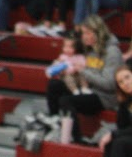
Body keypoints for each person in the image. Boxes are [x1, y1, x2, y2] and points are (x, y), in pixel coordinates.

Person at [44, 15, 122, 143]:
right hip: (86, 89)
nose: (84, 36)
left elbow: (110, 84)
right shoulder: (88, 49)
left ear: (98, 32)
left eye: (88, 33)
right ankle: (55, 123)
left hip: (104, 97)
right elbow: (76, 70)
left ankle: (75, 139)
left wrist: (83, 72)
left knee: (66, 101)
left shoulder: (112, 52)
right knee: (54, 85)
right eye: (83, 33)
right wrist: (62, 68)